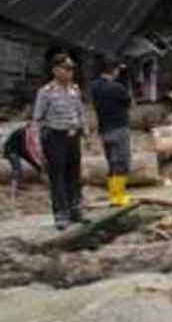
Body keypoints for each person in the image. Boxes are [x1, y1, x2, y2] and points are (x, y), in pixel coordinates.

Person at [33, 50, 88, 230]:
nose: (70, 72)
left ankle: (75, 209)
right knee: (58, 176)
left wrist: (85, 133)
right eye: (66, 68)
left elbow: (80, 111)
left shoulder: (74, 89)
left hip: (73, 136)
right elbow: (38, 119)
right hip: (55, 137)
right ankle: (61, 214)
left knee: (74, 173)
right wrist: (37, 144)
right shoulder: (46, 92)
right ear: (56, 70)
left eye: (72, 68)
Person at [90, 60, 131, 207]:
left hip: (104, 130)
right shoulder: (117, 87)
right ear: (114, 70)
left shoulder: (94, 87)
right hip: (119, 128)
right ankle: (119, 196)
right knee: (122, 162)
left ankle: (112, 195)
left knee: (111, 163)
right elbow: (128, 101)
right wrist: (124, 78)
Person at [2, 123, 43, 190]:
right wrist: (32, 157)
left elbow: (31, 148)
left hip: (19, 151)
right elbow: (26, 149)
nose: (34, 132)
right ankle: (17, 183)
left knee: (34, 164)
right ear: (29, 128)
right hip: (11, 151)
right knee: (17, 166)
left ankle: (38, 173)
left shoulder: (28, 133)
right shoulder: (21, 132)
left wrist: (37, 164)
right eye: (33, 130)